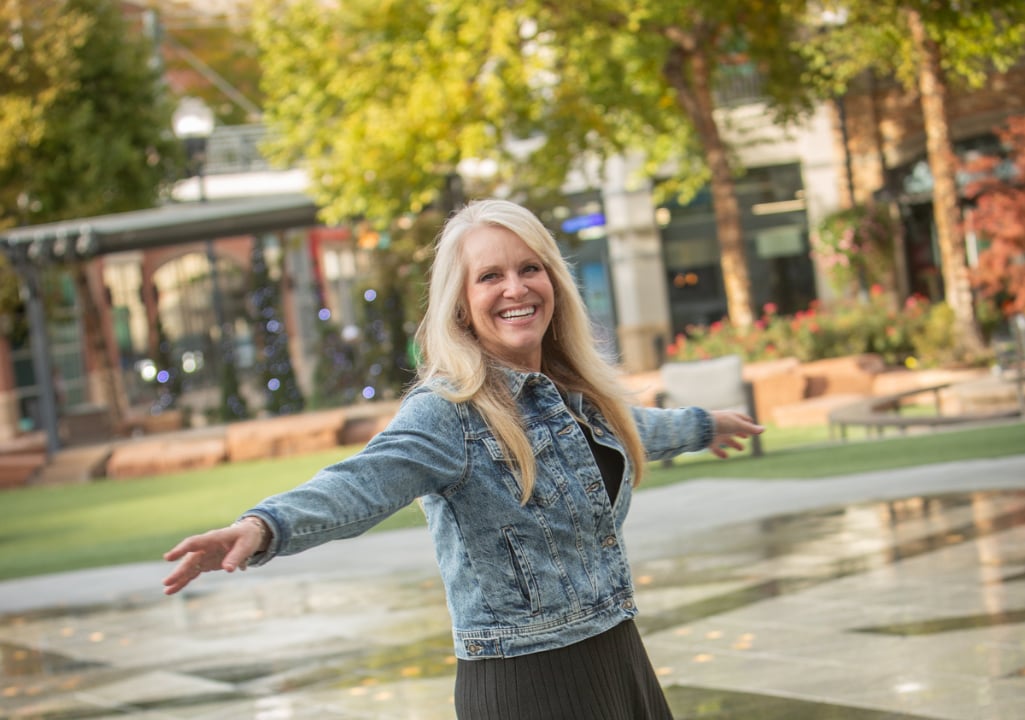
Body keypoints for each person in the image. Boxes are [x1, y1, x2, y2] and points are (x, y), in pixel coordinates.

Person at [163, 198, 763, 719]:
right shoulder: (448, 411)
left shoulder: (572, 391)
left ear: (554, 281)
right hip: (526, 681)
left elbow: (628, 430)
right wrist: (263, 526)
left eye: (530, 268)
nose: (515, 289)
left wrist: (702, 426)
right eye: (490, 276)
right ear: (460, 303)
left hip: (616, 652)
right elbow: (362, 482)